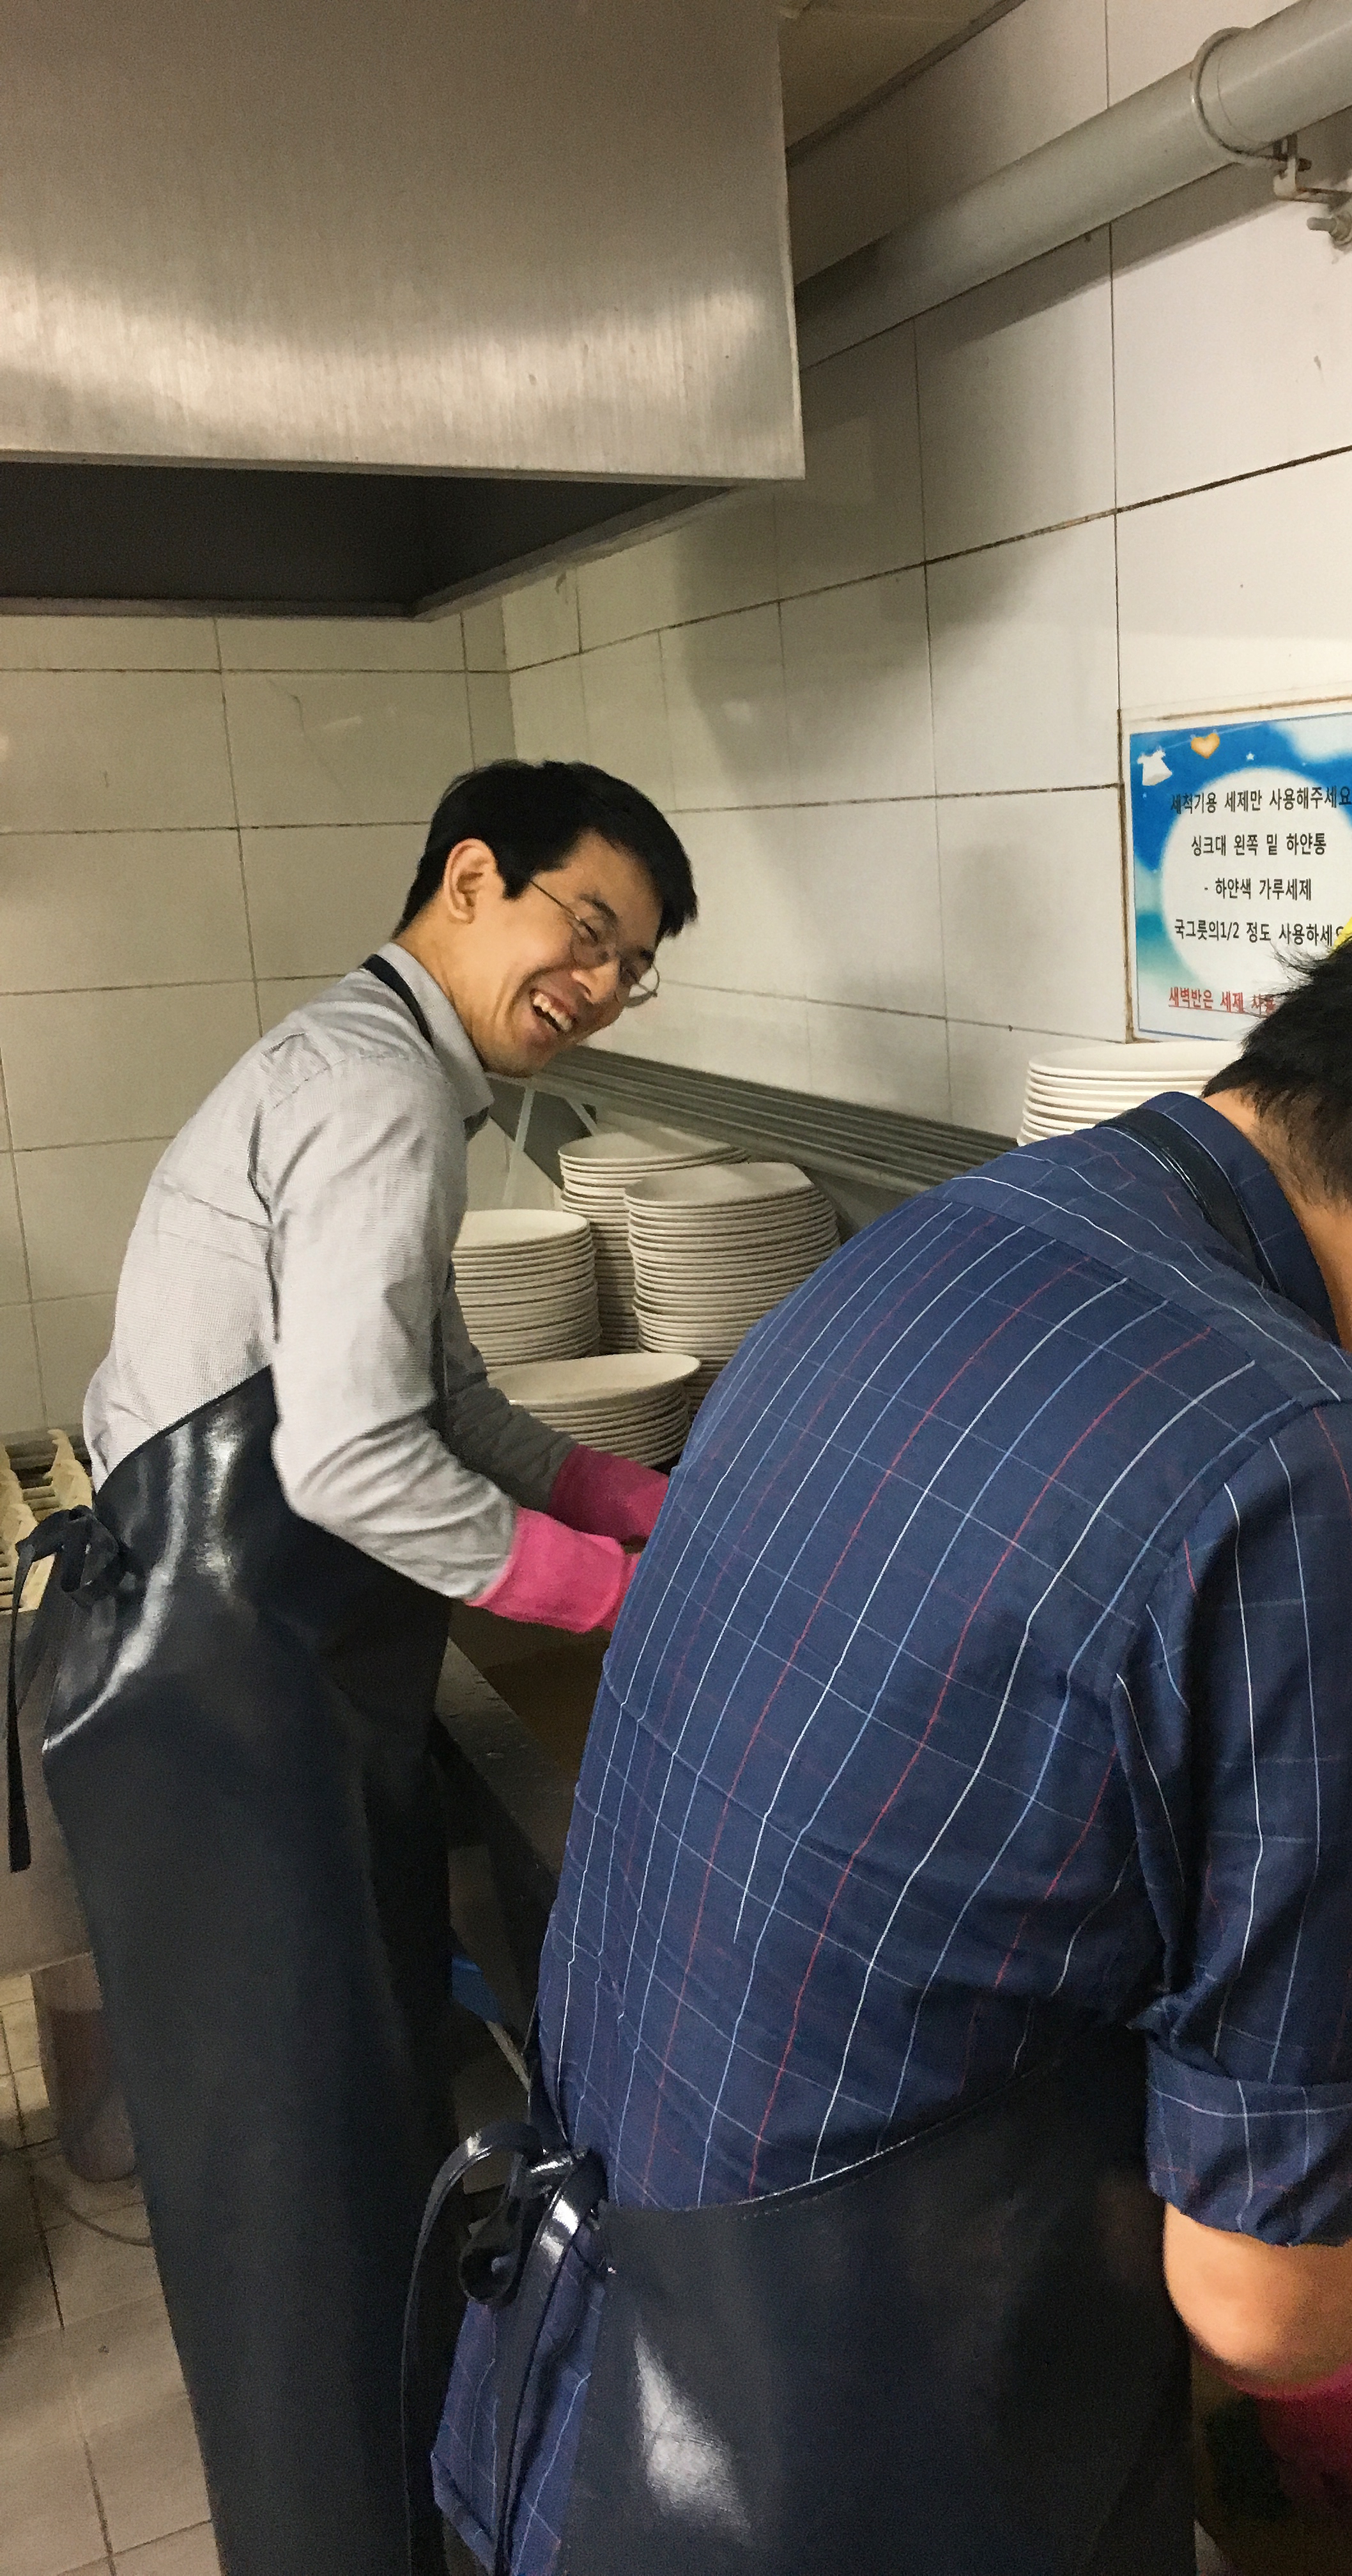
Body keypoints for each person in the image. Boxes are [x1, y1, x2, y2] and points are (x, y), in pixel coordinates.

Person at [433, 899, 1352, 2575]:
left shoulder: (959, 1230)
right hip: (868, 2461)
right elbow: (1266, 2309)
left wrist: (1305, 2188)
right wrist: (1326, 2306)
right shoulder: (1330, 1468)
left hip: (587, 2364)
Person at [11, 760, 696, 2576]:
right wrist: (606, 1598)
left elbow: (439, 1396)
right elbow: (350, 1463)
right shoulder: (384, 1093)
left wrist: (636, 1499)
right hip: (222, 1701)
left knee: (307, 2162)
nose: (600, 986)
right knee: (300, 2190)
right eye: (586, 931)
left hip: (223, 1687)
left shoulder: (369, 1063)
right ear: (471, 879)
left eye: (632, 968)